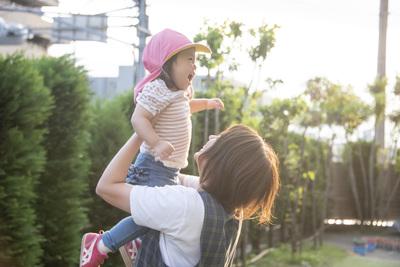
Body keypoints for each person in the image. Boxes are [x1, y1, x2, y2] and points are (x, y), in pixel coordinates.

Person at [80, 28, 224, 267]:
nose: (194, 67)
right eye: (189, 60)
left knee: (158, 218)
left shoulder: (179, 92)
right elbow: (138, 119)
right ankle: (101, 244)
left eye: (195, 61)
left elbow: (187, 107)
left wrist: (207, 103)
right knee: (151, 216)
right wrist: (155, 142)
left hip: (169, 170)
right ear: (168, 63)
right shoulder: (158, 89)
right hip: (153, 166)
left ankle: (132, 242)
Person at [83, 124, 280, 267]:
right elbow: (169, 180)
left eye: (220, 137)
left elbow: (106, 187)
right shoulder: (228, 209)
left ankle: (107, 245)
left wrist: (141, 131)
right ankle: (145, 244)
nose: (212, 135)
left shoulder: (185, 205)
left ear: (224, 159)